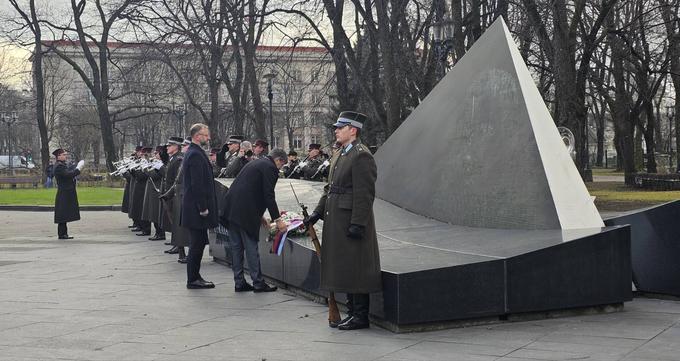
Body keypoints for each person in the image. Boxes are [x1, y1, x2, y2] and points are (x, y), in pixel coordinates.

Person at [304, 111, 381, 330]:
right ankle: (351, 311)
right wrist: (318, 212)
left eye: (340, 127)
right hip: (337, 218)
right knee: (345, 267)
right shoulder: (341, 154)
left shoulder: (361, 155)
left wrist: (358, 222)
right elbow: (330, 188)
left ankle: (360, 316)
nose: (336, 130)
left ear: (353, 130)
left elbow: (364, 194)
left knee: (356, 267)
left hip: (350, 220)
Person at [220, 148, 288, 293]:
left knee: (236, 247)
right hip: (245, 213)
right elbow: (268, 195)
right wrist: (278, 219)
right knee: (251, 247)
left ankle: (239, 282)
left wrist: (260, 216)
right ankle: (258, 282)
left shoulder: (256, 163)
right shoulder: (270, 168)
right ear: (279, 160)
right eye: (282, 165)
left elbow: (250, 189)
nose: (280, 168)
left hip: (231, 209)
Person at [181, 124, 218, 289]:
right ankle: (193, 279)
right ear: (197, 136)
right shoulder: (195, 154)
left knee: (199, 242)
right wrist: (203, 208)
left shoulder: (195, 152)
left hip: (194, 208)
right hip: (197, 210)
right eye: (205, 135)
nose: (208, 138)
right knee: (196, 244)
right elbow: (197, 185)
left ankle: (195, 276)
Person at [161, 137, 192, 262]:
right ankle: (179, 249)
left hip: (178, 195)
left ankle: (183, 251)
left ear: (176, 146)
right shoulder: (175, 159)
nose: (167, 148)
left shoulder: (179, 159)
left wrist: (170, 193)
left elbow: (177, 180)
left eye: (170, 145)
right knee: (176, 225)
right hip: (173, 193)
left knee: (181, 226)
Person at [53, 149, 85, 239]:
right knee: (62, 214)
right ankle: (62, 234)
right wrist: (78, 169)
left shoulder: (61, 165)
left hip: (65, 191)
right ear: (58, 156)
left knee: (64, 213)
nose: (65, 156)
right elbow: (68, 175)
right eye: (63, 154)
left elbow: (69, 171)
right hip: (64, 192)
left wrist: (75, 167)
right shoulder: (59, 166)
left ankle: (63, 233)